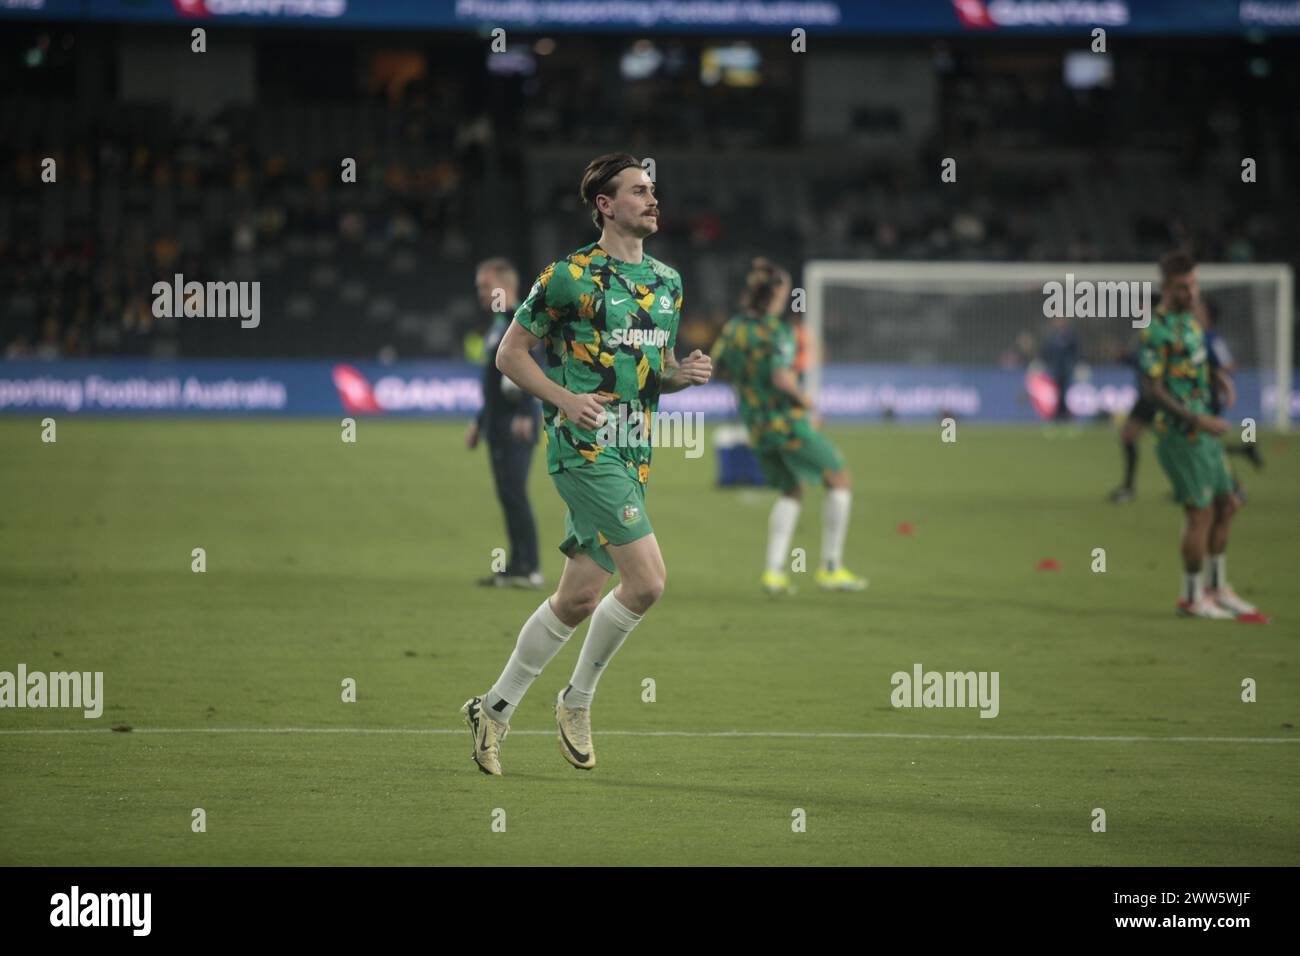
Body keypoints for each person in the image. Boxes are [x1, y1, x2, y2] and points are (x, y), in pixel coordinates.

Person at [460, 153, 713, 775]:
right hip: (584, 450)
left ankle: (493, 708)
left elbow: (650, 375)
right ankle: (577, 701)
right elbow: (510, 357)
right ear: (605, 205)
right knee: (649, 581)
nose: (653, 200)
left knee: (577, 598)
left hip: (634, 449)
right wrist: (565, 399)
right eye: (638, 191)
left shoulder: (668, 282)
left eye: (654, 190)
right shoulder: (568, 276)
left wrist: (682, 376)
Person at [711, 257, 867, 594]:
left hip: (755, 425)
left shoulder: (734, 328)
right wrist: (808, 403)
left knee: (791, 489)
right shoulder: (776, 331)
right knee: (839, 478)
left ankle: (775, 573)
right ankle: (830, 567)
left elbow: (719, 367)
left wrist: (748, 386)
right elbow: (782, 377)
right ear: (775, 294)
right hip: (786, 423)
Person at [1137, 251, 1266, 621]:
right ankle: (1191, 598)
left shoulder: (1191, 323)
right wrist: (1197, 418)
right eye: (1182, 287)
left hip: (1205, 429)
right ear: (1165, 288)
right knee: (1201, 512)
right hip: (1181, 435)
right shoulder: (1155, 331)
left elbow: (1194, 364)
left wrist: (1217, 377)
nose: (1190, 293)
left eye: (1193, 284)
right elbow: (1153, 389)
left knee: (1229, 503)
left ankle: (1217, 588)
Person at [467, 257, 544, 587]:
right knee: (508, 494)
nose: (481, 293)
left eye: (486, 286)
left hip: (516, 423)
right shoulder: (501, 322)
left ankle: (530, 568)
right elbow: (494, 381)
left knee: (515, 493)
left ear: (506, 286)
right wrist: (480, 420)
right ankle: (516, 566)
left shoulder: (521, 320)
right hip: (498, 423)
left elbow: (531, 367)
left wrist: (526, 412)